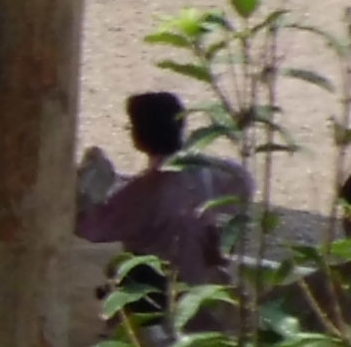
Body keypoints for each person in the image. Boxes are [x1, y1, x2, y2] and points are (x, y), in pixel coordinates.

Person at [73, 90, 248, 299]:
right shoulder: (205, 168)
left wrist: (83, 193)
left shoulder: (147, 190)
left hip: (160, 290)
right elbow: (243, 181)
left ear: (141, 133)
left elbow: (93, 228)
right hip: (203, 282)